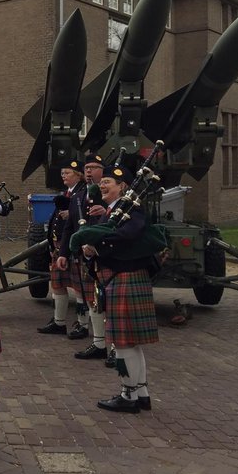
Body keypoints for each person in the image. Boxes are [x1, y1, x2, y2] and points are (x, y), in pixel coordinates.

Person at [79, 166, 158, 414]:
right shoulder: (113, 212)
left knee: (124, 343)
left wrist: (97, 247)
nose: (103, 185)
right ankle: (141, 393)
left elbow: (129, 235)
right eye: (102, 182)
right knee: (131, 343)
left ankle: (128, 395)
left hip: (126, 277)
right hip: (120, 279)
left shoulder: (131, 210)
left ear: (122, 187)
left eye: (109, 182)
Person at [71, 155, 116, 366]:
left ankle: (115, 347)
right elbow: (73, 226)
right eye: (86, 167)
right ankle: (99, 343)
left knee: (111, 306)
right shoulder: (80, 195)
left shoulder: (113, 198)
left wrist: (103, 213)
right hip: (88, 256)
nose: (89, 171)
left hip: (108, 256)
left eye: (94, 168)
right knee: (94, 300)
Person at [38, 160, 89, 337]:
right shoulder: (68, 193)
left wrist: (71, 215)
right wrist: (53, 244)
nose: (63, 176)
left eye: (67, 173)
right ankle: (59, 322)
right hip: (60, 246)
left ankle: (83, 325)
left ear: (78, 175)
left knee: (79, 287)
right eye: (62, 173)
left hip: (73, 247)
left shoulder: (83, 193)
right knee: (58, 284)